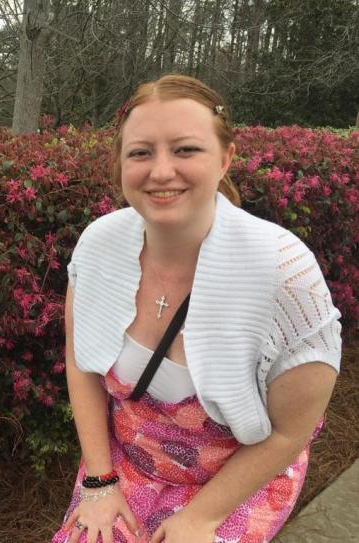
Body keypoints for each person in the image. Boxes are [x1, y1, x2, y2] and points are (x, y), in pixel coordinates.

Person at [51, 74, 342, 543]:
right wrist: (100, 481)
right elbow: (80, 362)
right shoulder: (97, 247)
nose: (161, 171)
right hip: (123, 463)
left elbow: (290, 433)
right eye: (140, 153)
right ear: (120, 164)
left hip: (236, 481)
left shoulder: (285, 274)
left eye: (186, 149)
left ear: (225, 159)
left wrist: (200, 518)